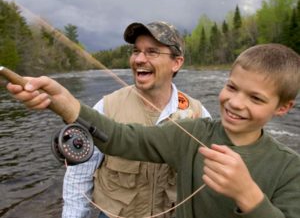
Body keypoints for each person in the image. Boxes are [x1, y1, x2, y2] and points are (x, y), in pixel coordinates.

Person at [6, 43, 300, 217]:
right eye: (231, 87)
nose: (235, 103)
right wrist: (64, 102)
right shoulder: (190, 132)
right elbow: (121, 139)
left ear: (283, 107)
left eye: (256, 98)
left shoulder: (290, 169)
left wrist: (249, 197)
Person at [63, 21, 212, 217]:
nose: (140, 59)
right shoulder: (106, 107)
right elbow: (78, 177)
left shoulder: (199, 115)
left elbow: (210, 185)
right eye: (136, 51)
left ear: (177, 63)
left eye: (152, 52)